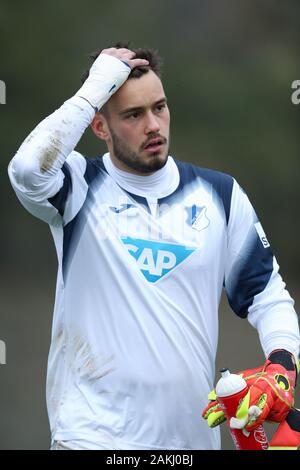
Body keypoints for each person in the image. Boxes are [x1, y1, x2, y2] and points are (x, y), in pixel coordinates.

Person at [8, 43, 300, 450]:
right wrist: (96, 87)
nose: (153, 125)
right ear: (99, 126)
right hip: (91, 440)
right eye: (133, 115)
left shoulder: (220, 194)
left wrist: (281, 367)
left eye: (159, 108)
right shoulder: (76, 186)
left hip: (192, 444)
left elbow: (268, 296)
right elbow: (26, 169)